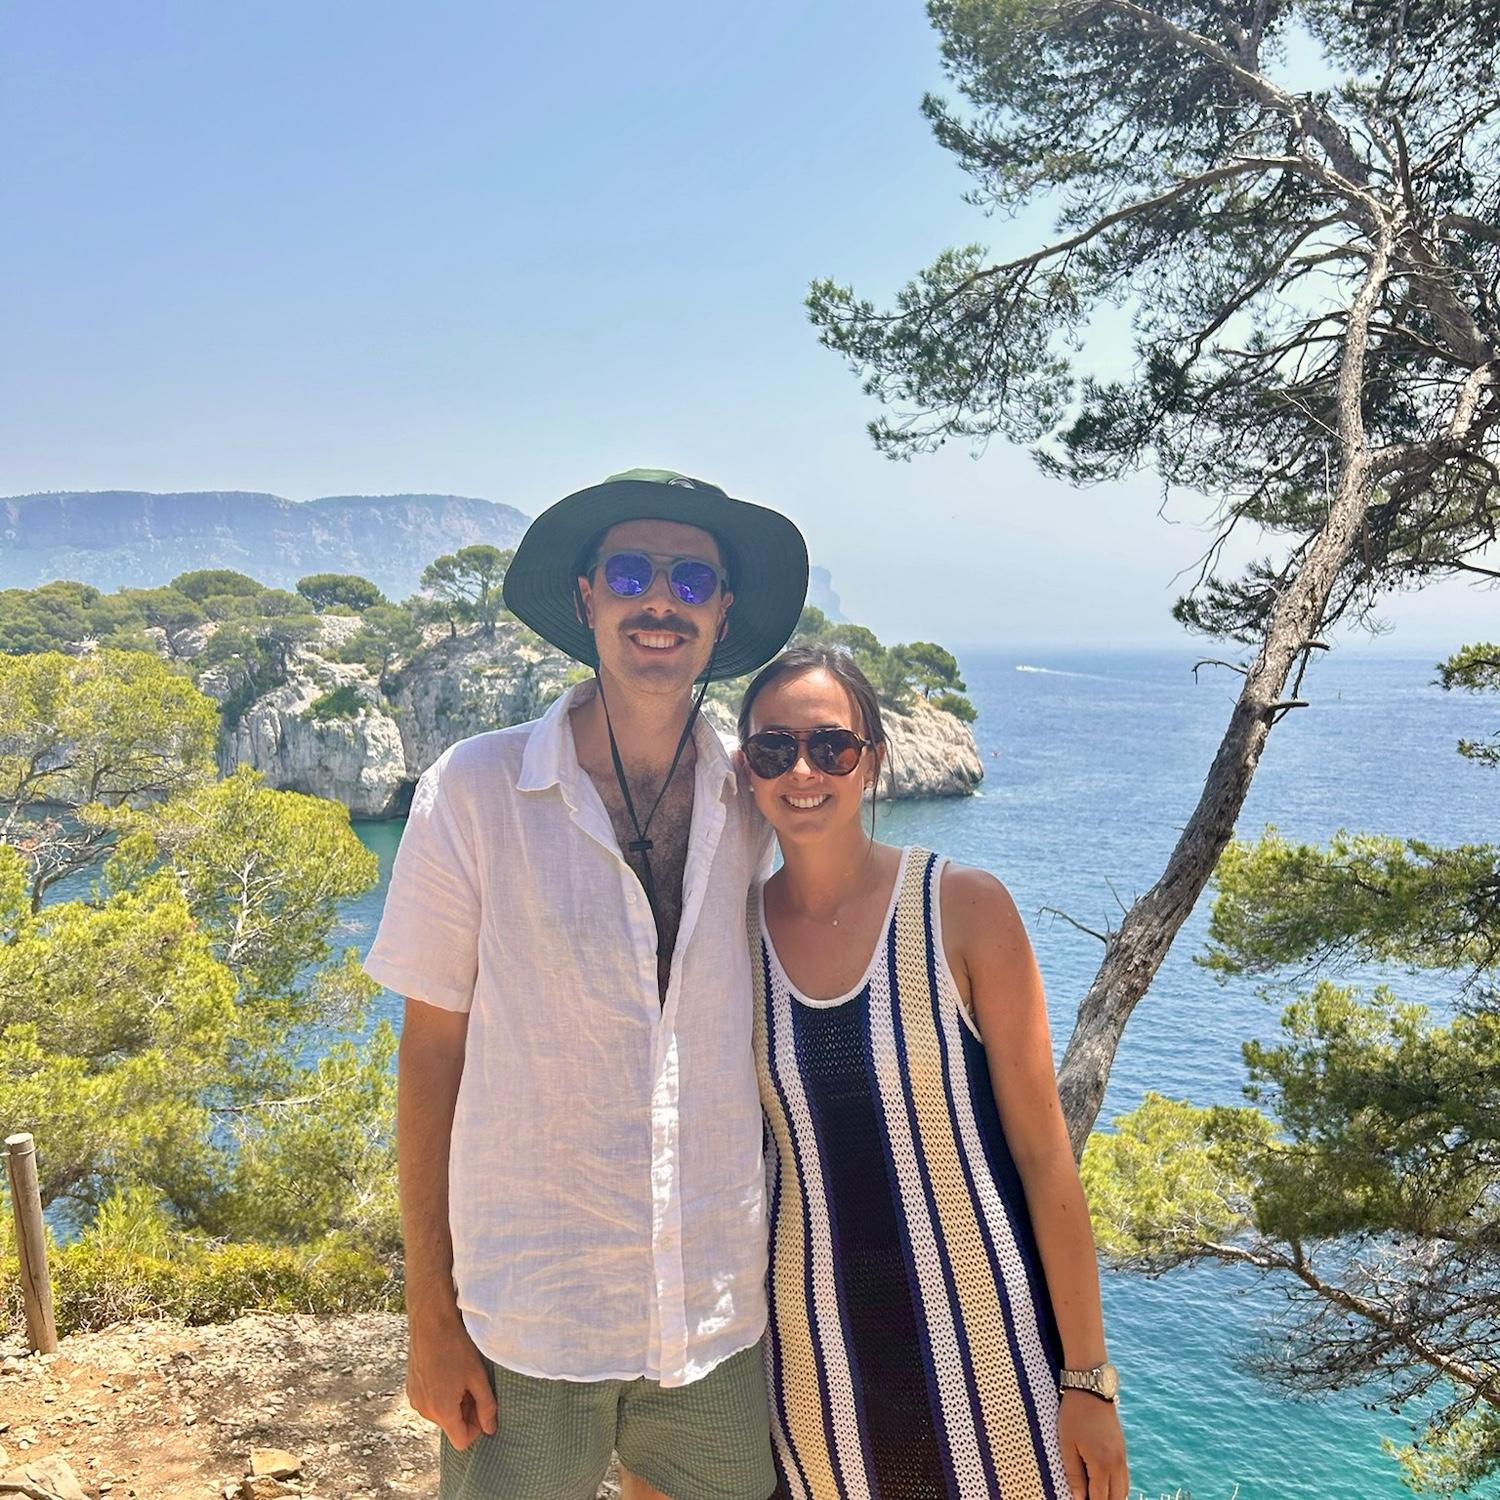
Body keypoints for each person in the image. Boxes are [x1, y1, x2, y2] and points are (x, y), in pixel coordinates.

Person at [362, 468, 808, 1500]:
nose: (661, 600)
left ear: (722, 611)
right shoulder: (473, 791)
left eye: (691, 580)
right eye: (631, 571)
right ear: (587, 597)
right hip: (530, 1314)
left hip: (714, 1315)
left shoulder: (755, 800)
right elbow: (431, 1055)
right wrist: (430, 1314)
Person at [737, 644, 1131, 1500]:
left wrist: (1089, 1379)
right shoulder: (733, 941)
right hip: (815, 1370)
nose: (803, 770)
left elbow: (1044, 1157)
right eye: (774, 748)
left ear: (873, 759)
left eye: (831, 745)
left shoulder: (963, 906)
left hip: (993, 1353)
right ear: (747, 769)